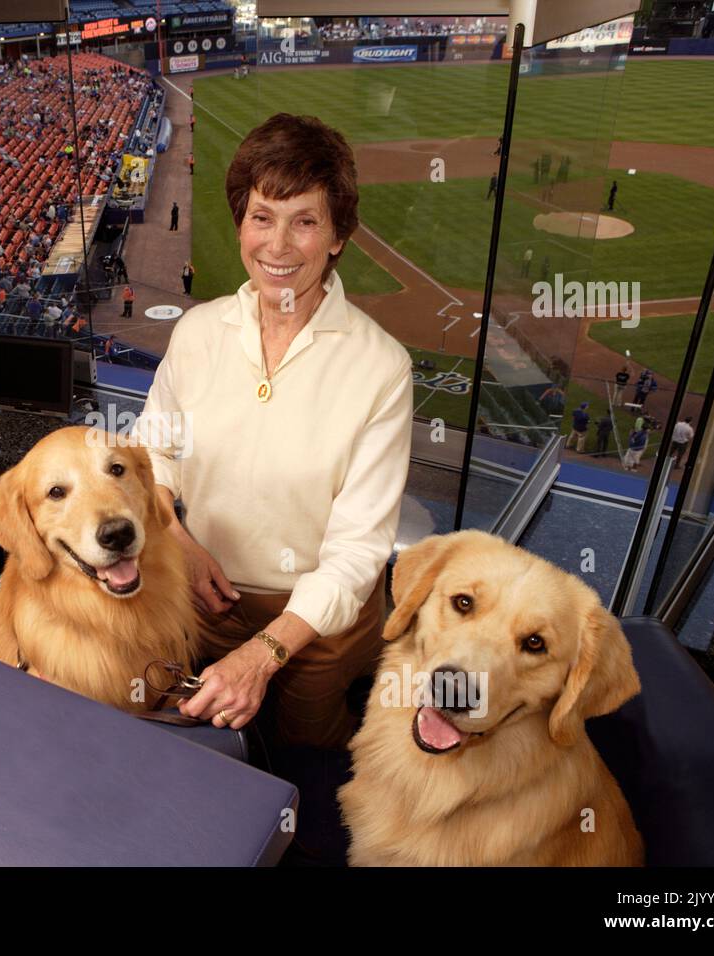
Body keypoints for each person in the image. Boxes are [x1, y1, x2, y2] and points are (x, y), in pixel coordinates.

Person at [134, 113, 412, 750]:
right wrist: (175, 539)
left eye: (305, 221)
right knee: (202, 757)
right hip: (197, 599)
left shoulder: (382, 367)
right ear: (241, 224)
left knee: (304, 760)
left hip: (316, 629)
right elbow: (151, 455)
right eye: (262, 217)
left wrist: (266, 652)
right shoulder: (196, 332)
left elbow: (358, 554)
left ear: (337, 235)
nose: (278, 246)